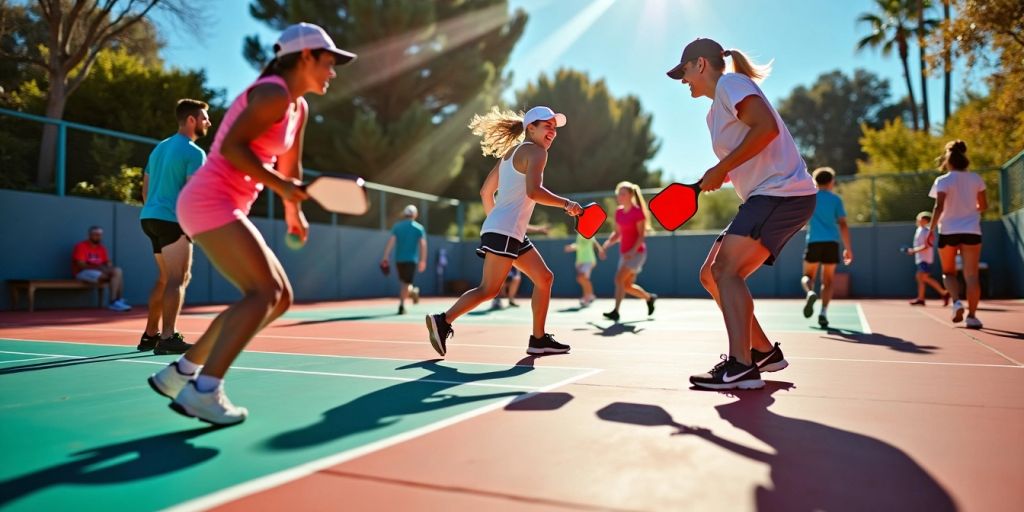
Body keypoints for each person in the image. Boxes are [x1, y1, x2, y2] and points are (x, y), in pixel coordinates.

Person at [147, 23, 356, 425]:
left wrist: (295, 210)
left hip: (225, 204)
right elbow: (230, 148)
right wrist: (285, 188)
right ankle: (204, 391)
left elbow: (289, 168)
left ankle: (181, 373)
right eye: (329, 62)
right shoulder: (273, 92)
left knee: (277, 298)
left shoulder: (299, 106)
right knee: (263, 292)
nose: (333, 72)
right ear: (306, 57)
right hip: (210, 200)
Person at [666, 38, 818, 390]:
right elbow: (749, 150)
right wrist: (723, 173)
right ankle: (763, 352)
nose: (683, 80)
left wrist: (723, 167)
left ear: (701, 64)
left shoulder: (730, 84)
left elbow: (767, 129)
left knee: (726, 270)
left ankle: (741, 366)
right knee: (711, 274)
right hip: (765, 195)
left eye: (684, 72)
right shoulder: (713, 113)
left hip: (781, 193)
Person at [426, 106, 583, 356]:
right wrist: (567, 204)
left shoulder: (511, 154)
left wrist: (496, 222)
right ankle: (443, 321)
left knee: (544, 278)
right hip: (507, 230)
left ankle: (539, 340)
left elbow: (485, 192)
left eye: (555, 127)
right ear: (530, 128)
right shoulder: (537, 152)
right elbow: (533, 192)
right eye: (547, 125)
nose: (552, 131)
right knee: (489, 289)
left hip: (508, 230)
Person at [138, 98, 211, 354]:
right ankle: (167, 337)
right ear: (191, 120)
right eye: (204, 118)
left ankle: (150, 335)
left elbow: (145, 189)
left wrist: (156, 210)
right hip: (173, 220)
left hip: (150, 217)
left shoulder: (159, 148)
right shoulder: (194, 152)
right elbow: (193, 194)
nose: (208, 122)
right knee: (178, 279)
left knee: (165, 278)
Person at [927, 140, 986, 329]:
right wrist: (969, 209)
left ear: (947, 159)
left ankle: (957, 302)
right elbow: (983, 206)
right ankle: (973, 317)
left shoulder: (943, 180)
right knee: (972, 275)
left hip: (949, 231)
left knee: (948, 273)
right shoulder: (976, 178)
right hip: (972, 231)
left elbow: (939, 206)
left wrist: (930, 230)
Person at [800, 167, 853, 328]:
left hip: (814, 242)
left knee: (807, 276)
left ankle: (810, 292)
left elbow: (801, 220)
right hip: (831, 243)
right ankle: (823, 313)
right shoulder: (836, 200)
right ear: (831, 182)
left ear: (815, 181)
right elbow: (843, 224)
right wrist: (848, 248)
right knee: (828, 281)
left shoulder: (810, 198)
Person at [601, 181, 656, 321]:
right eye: (618, 194)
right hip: (625, 253)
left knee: (618, 279)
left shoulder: (637, 212)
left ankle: (616, 312)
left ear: (631, 195)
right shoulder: (619, 212)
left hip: (637, 253)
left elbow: (641, 235)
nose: (619, 196)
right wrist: (606, 245)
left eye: (623, 193)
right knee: (626, 285)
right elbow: (617, 233)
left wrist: (632, 251)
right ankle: (649, 298)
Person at [381, 204, 427, 314]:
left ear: (405, 214)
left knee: (404, 283)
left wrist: (385, 256)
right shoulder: (419, 228)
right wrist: (423, 260)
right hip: (411, 260)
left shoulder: (397, 227)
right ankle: (413, 292)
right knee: (405, 284)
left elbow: (391, 242)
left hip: (399, 260)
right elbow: (423, 245)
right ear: (415, 215)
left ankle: (401, 305)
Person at [72, 226, 130, 312]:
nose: (97, 236)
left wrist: (108, 266)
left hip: (99, 271)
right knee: (114, 276)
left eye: (99, 235)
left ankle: (117, 300)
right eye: (95, 234)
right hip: (82, 272)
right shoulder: (81, 246)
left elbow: (107, 262)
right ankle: (114, 302)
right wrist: (101, 268)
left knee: (118, 271)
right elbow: (81, 265)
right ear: (89, 235)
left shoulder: (101, 248)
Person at [905, 211, 949, 306]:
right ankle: (921, 298)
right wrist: (914, 251)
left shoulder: (927, 231)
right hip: (920, 259)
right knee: (920, 278)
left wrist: (913, 251)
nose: (917, 221)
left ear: (925, 220)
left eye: (920, 219)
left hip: (925, 259)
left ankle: (944, 293)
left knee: (923, 277)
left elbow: (927, 245)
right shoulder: (919, 230)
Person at [564, 231, 606, 306]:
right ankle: (591, 295)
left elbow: (594, 242)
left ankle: (586, 298)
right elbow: (578, 245)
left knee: (582, 277)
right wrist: (571, 247)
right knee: (581, 279)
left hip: (589, 260)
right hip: (580, 261)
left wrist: (601, 250)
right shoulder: (579, 234)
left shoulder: (588, 232)